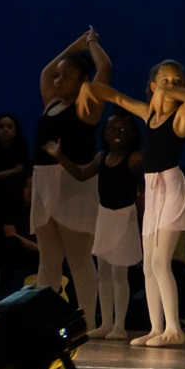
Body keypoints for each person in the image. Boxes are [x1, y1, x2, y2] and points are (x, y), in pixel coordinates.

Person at [80, 60, 185, 347]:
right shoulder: (149, 116)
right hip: (152, 189)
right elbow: (117, 97)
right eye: (164, 81)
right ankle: (156, 327)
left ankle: (174, 328)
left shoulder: (180, 117)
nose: (171, 86)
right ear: (152, 86)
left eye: (176, 81)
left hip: (170, 188)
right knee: (148, 266)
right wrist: (88, 87)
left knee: (161, 261)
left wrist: (172, 90)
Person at [32, 28, 111, 331]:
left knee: (78, 259)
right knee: (48, 259)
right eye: (59, 77)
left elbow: (105, 69)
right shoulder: (52, 103)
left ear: (81, 81)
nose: (58, 80)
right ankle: (43, 320)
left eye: (66, 76)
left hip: (73, 186)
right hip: (44, 183)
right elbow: (45, 72)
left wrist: (91, 44)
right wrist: (74, 44)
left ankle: (87, 321)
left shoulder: (87, 106)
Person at [44, 109, 143, 340]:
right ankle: (106, 322)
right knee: (104, 272)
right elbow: (80, 174)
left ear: (131, 134)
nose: (116, 133)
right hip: (105, 216)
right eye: (111, 129)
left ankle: (119, 325)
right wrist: (60, 156)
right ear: (105, 133)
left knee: (120, 274)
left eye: (122, 130)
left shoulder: (135, 158)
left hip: (124, 216)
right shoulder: (101, 158)